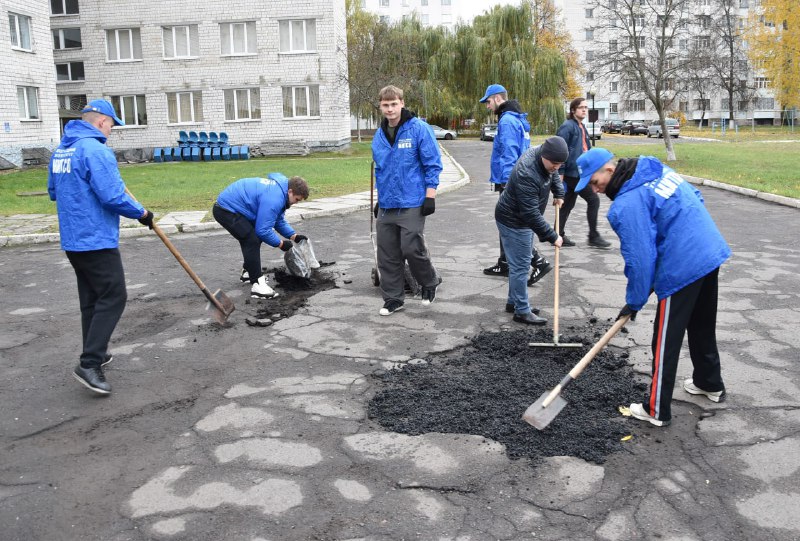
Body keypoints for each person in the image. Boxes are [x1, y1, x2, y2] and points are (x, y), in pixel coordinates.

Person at [576, 147, 731, 427]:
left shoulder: (627, 204)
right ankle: (709, 383)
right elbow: (696, 197)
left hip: (682, 265)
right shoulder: (654, 170)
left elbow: (640, 259)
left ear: (609, 170)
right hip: (708, 250)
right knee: (701, 324)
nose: (595, 190)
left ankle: (656, 410)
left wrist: (634, 300)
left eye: (594, 182)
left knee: (665, 340)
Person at [48, 99, 155, 395]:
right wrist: (142, 214)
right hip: (95, 237)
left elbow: (53, 192)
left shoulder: (61, 150)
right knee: (114, 295)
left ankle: (95, 350)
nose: (112, 131)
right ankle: (90, 362)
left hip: (73, 238)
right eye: (111, 126)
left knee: (92, 298)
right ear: (100, 122)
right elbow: (112, 197)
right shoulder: (96, 150)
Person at [372, 85, 441, 316]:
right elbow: (381, 170)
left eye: (394, 104)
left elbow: (432, 164)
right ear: (380, 106)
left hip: (413, 200)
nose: (390, 109)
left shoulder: (418, 129)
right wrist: (379, 200)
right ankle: (393, 299)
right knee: (387, 254)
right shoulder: (379, 135)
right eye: (385, 105)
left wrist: (430, 196)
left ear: (402, 103)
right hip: (387, 204)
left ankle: (429, 280)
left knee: (411, 247)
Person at [480, 84, 553, 285]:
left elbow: (510, 154)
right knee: (510, 223)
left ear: (496, 98)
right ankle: (505, 262)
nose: (487, 106)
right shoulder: (517, 118)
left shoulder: (508, 121)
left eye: (488, 101)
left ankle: (538, 262)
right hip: (518, 178)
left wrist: (507, 182)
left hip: (512, 180)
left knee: (510, 223)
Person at [495, 136, 567, 325]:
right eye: (554, 163)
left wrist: (559, 193)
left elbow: (553, 175)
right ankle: (521, 311)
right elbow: (530, 214)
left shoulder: (546, 159)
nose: (557, 167)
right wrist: (553, 236)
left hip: (519, 218)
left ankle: (514, 302)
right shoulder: (527, 172)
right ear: (545, 155)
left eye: (560, 164)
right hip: (514, 220)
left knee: (520, 262)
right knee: (521, 265)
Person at [213, 174, 309, 299]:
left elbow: (277, 220)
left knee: (253, 238)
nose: (296, 203)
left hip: (237, 208)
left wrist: (294, 236)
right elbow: (263, 230)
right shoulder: (275, 198)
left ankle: (248, 272)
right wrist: (281, 244)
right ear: (290, 191)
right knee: (251, 239)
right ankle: (257, 285)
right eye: (296, 199)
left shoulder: (281, 191)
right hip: (226, 210)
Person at [555, 97, 610, 249]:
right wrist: (560, 173)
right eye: (581, 107)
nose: (584, 110)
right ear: (573, 110)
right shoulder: (568, 126)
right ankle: (593, 237)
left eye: (586, 107)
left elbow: (587, 150)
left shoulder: (582, 127)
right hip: (573, 174)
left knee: (567, 204)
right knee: (593, 200)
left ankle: (557, 234)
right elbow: (560, 149)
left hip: (580, 173)